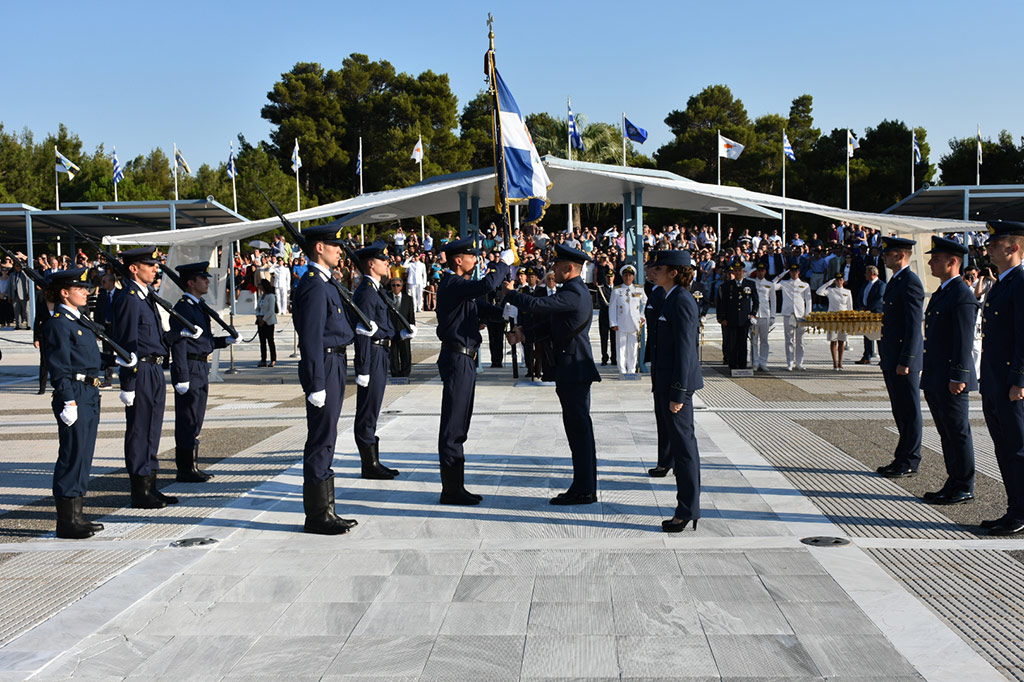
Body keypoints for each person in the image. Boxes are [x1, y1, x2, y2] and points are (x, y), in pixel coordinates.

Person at [505, 244, 602, 505]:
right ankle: (584, 486)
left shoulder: (575, 292)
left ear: (570, 268)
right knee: (577, 430)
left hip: (575, 369)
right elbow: (552, 325)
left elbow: (538, 305)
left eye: (557, 266)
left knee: (579, 430)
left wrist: (512, 295)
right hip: (569, 368)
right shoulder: (572, 291)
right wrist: (525, 334)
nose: (553, 270)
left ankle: (584, 489)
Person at [42, 268, 128, 537]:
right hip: (75, 394)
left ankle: (77, 515)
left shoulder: (79, 321)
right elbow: (59, 366)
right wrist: (68, 400)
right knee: (71, 456)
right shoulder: (58, 323)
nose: (85, 292)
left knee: (83, 456)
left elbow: (89, 358)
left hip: (89, 392)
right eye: (79, 288)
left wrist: (116, 360)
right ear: (64, 293)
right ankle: (66, 522)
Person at [435, 237, 513, 505]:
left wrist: (512, 308)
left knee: (461, 423)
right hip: (457, 358)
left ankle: (456, 486)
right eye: (472, 256)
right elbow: (487, 285)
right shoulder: (452, 284)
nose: (476, 260)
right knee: (453, 425)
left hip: (465, 359)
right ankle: (451, 489)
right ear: (459, 260)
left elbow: (487, 310)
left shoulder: (462, 289)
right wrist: (502, 264)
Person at [293, 225, 360, 534]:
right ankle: (318, 515)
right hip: (325, 365)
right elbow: (310, 339)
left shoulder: (326, 282)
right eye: (334, 245)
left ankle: (326, 509)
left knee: (328, 436)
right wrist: (315, 382)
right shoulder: (313, 285)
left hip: (335, 361)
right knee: (321, 439)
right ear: (318, 247)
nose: (339, 250)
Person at [112, 247, 179, 509]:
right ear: (133, 268)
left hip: (154, 369)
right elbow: (126, 343)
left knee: (152, 429)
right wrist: (127, 382)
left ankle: (151, 484)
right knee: (140, 430)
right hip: (140, 371)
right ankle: (139, 490)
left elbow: (154, 338)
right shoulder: (129, 298)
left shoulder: (146, 296)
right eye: (149, 265)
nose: (155, 269)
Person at [647, 251, 703, 531]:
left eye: (660, 267)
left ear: (674, 272)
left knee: (684, 451)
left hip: (675, 388)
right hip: (666, 383)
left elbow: (685, 351)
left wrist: (678, 393)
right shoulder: (668, 297)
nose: (654, 271)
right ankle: (687, 507)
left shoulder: (681, 300)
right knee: (681, 447)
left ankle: (687, 509)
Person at [920, 236, 978, 505]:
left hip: (951, 378)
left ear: (953, 262)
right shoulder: (944, 291)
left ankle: (964, 484)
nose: (931, 262)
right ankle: (953, 480)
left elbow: (963, 341)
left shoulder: (961, 295)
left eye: (936, 258)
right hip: (937, 376)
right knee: (946, 431)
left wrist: (959, 376)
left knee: (957, 431)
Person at [169, 262, 238, 483]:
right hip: (189, 367)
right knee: (187, 418)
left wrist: (224, 341)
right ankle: (185, 468)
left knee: (196, 418)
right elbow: (179, 343)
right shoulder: (183, 308)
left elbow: (202, 341)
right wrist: (181, 376)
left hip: (200, 365)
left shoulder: (197, 306)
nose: (207, 281)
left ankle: (191, 465)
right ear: (191, 282)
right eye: (203, 278)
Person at [978, 221, 1024, 535]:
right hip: (996, 381)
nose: (988, 249)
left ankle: (1020, 513)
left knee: (1017, 449)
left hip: (1010, 383)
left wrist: (1019, 380)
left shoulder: (1020, 282)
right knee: (1003, 448)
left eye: (995, 244)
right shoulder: (1002, 282)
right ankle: (1013, 509)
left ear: (1013, 247)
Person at [353, 241, 411, 480]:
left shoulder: (376, 290)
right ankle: (369, 464)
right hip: (373, 355)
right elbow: (362, 332)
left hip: (382, 352)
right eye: (383, 260)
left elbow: (381, 328)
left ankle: (373, 460)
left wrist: (400, 335)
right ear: (371, 264)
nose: (388, 263)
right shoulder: (366, 292)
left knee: (374, 406)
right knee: (368, 408)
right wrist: (363, 368)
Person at [876, 236, 925, 479]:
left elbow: (914, 326)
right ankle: (901, 456)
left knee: (909, 410)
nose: (884, 256)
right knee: (900, 409)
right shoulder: (896, 281)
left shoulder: (910, 282)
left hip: (903, 360)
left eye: (888, 253)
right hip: (892, 356)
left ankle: (910, 458)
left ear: (901, 255)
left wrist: (907, 360)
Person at [717, 261, 758, 370]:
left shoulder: (750, 284)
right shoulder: (727, 286)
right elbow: (723, 303)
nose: (738, 272)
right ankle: (733, 365)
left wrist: (753, 314)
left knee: (743, 343)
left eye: (740, 270)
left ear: (743, 271)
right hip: (731, 319)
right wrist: (723, 318)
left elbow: (756, 301)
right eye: (736, 270)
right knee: (732, 344)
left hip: (744, 319)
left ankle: (742, 365)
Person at [609, 264, 647, 375]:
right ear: (622, 276)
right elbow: (612, 308)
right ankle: (622, 370)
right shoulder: (617, 290)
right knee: (621, 348)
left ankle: (631, 370)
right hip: (621, 323)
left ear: (633, 277)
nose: (628, 278)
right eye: (625, 275)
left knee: (633, 347)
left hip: (634, 322)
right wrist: (613, 322)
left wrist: (642, 316)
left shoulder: (638, 289)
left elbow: (645, 303)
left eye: (630, 275)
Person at [773, 264, 812, 371]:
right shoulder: (784, 283)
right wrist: (781, 275)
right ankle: (790, 362)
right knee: (789, 339)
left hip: (801, 314)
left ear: (799, 272)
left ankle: (799, 362)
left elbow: (808, 300)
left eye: (796, 271)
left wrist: (808, 314)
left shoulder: (805, 285)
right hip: (788, 313)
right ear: (790, 272)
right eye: (792, 271)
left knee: (800, 340)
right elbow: (772, 286)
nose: (794, 273)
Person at [816, 273, 854, 370]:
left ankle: (840, 363)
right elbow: (819, 291)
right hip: (832, 317)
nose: (839, 281)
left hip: (843, 318)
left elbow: (850, 307)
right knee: (833, 340)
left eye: (840, 280)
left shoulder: (847, 291)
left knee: (842, 341)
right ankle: (834, 362)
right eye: (837, 280)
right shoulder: (830, 290)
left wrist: (851, 319)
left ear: (843, 280)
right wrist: (829, 282)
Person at [855, 265, 886, 364]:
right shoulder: (866, 284)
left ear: (873, 274)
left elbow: (878, 299)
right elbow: (860, 296)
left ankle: (883, 358)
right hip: (866, 313)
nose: (865, 275)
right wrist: (861, 306)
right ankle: (867, 356)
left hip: (876, 314)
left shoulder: (881, 285)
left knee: (878, 336)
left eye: (867, 273)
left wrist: (868, 308)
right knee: (867, 335)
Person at [750, 261, 774, 372]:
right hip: (754, 315)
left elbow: (773, 301)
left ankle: (763, 362)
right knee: (753, 340)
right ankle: (754, 362)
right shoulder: (751, 282)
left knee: (764, 340)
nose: (760, 273)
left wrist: (773, 316)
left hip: (765, 314)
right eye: (758, 271)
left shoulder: (770, 284)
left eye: (762, 271)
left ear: (765, 271)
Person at [388, 277, 414, 378]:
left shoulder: (408, 299)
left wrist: (411, 329)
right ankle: (395, 374)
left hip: (404, 330)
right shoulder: (387, 297)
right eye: (393, 285)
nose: (396, 287)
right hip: (392, 331)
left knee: (406, 354)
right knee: (393, 354)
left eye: (398, 285)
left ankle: (405, 374)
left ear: (402, 286)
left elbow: (411, 316)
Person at [594, 270, 616, 367]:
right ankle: (604, 357)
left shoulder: (617, 289)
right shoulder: (601, 289)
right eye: (608, 277)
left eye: (611, 277)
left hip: (614, 318)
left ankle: (614, 358)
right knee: (604, 339)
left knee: (614, 339)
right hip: (604, 316)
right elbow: (601, 302)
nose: (609, 279)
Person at [256, 280, 278, 367]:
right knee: (262, 341)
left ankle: (273, 359)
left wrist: (264, 320)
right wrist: (258, 317)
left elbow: (271, 311)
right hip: (260, 319)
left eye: (260, 285)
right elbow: (257, 308)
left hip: (268, 321)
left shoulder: (271, 296)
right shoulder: (261, 296)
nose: (259, 286)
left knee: (270, 341)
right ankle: (263, 360)